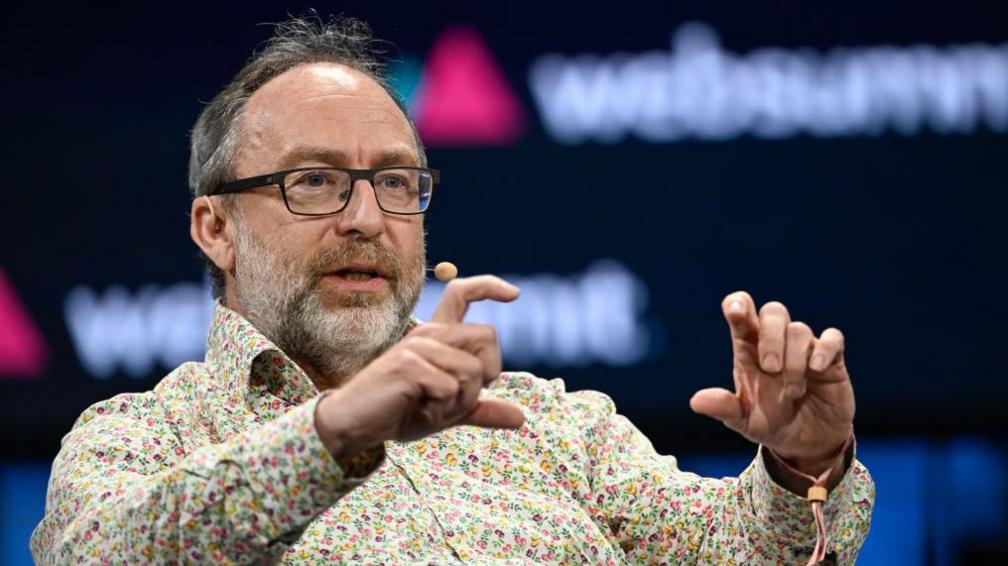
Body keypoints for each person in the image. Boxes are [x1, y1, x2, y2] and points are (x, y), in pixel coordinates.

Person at [31, 16, 874, 565]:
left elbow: (746, 551)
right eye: (316, 182)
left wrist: (805, 461)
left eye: (397, 183)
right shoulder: (142, 440)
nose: (367, 218)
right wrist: (338, 432)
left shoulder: (546, 422)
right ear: (215, 227)